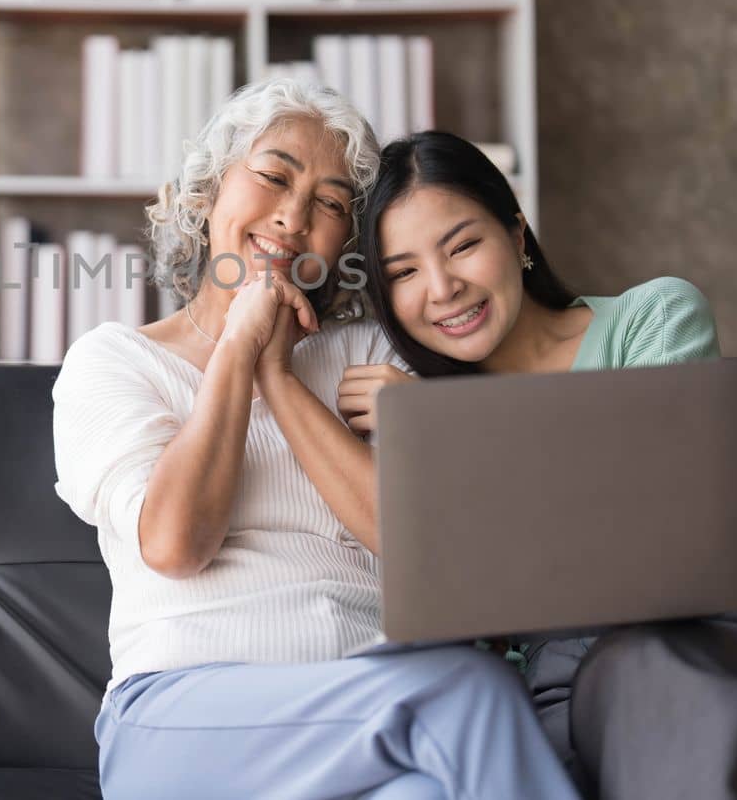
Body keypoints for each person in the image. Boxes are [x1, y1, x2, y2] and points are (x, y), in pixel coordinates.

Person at [52, 81, 579, 800]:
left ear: (346, 241)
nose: (294, 217)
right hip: (183, 717)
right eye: (272, 176)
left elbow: (428, 551)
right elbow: (176, 543)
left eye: (331, 204)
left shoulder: (373, 354)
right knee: (473, 691)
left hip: (374, 713)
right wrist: (239, 349)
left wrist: (283, 376)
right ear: (208, 195)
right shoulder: (113, 360)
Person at [340, 129, 737, 800]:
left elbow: (661, 541)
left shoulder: (652, 318)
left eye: (462, 245)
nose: (442, 287)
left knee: (649, 671)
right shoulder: (416, 416)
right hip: (566, 705)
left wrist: (441, 439)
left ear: (517, 236)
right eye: (402, 272)